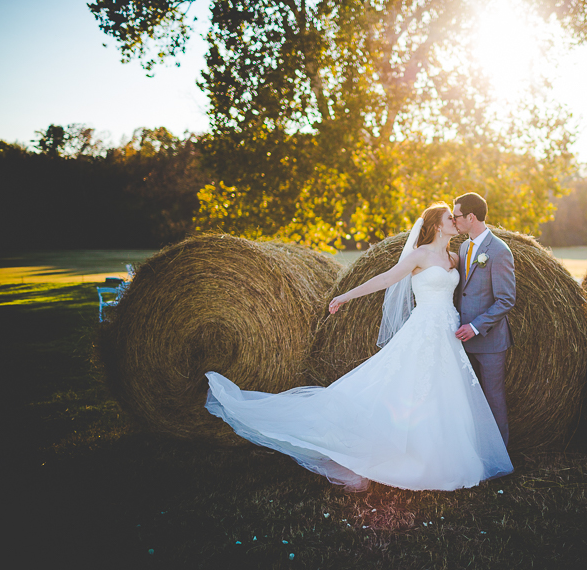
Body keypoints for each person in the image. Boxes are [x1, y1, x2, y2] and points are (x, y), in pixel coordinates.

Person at [204, 202, 513, 492]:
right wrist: (345, 296)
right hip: (423, 330)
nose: (455, 222)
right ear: (436, 225)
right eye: (450, 218)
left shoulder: (455, 257)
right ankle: (393, 454)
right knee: (407, 388)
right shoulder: (419, 256)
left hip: (448, 331)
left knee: (445, 392)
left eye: (457, 217)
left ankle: (444, 457)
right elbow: (386, 278)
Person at [452, 192, 516, 446]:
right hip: (461, 339)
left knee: (493, 398)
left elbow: (506, 299)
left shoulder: (499, 251)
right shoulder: (464, 247)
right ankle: (471, 449)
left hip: (489, 342)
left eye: (456, 216)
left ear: (471, 217)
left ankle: (499, 458)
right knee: (467, 398)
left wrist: (475, 327)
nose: (453, 220)